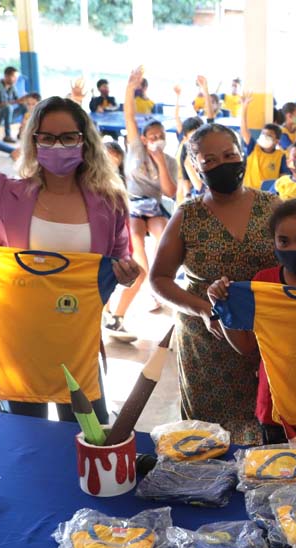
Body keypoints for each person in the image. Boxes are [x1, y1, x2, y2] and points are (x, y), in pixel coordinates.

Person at [0, 96, 139, 422]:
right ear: (34, 141)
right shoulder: (4, 193)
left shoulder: (110, 202)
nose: (57, 146)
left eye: (68, 137)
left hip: (77, 344)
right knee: (23, 441)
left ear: (85, 141)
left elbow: (118, 261)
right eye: (47, 137)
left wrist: (126, 273)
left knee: (89, 437)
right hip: (15, 345)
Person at [150, 123, 280, 444]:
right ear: (195, 167)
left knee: (266, 425)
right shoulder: (188, 215)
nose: (222, 164)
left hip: (263, 339)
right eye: (209, 160)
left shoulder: (274, 207)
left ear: (242, 154)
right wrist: (204, 310)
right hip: (205, 343)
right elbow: (159, 278)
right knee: (208, 437)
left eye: (229, 154)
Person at [207, 199, 296, 445]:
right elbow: (245, 346)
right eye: (283, 241)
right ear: (274, 241)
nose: (293, 249)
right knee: (276, 475)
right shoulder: (262, 284)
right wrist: (222, 306)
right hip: (274, 407)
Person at [105, 66, 178, 341]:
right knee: (138, 255)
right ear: (145, 139)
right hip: (133, 206)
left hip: (155, 206)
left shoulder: (168, 161)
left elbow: (169, 192)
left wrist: (160, 162)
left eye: (162, 136)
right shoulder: (135, 149)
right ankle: (140, 285)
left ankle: (158, 284)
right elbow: (129, 117)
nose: (158, 139)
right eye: (153, 136)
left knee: (164, 235)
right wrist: (130, 88)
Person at [239, 92, 288, 190]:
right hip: (249, 191)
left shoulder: (280, 156)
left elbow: (283, 177)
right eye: (263, 134)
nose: (265, 137)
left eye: (269, 135)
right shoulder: (254, 147)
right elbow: (244, 130)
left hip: (268, 194)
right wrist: (244, 107)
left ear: (276, 141)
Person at [0, 66, 25, 143]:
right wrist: (16, 101)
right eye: (14, 77)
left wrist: (26, 99)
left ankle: (22, 131)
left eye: (16, 77)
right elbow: (2, 105)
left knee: (25, 106)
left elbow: (18, 100)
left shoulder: (12, 87)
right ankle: (7, 136)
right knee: (8, 107)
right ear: (6, 76)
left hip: (7, 117)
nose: (16, 79)